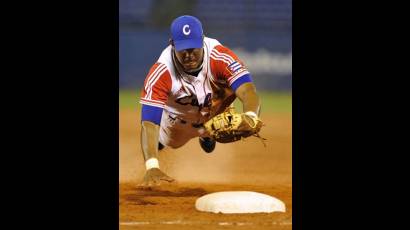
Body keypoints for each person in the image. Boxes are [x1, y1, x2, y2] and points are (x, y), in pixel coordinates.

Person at [139, 15, 262, 186]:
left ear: (202, 40)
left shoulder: (220, 56)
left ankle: (207, 135)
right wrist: (151, 165)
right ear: (172, 44)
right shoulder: (162, 71)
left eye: (193, 48)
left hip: (215, 111)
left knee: (214, 130)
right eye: (183, 49)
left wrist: (251, 116)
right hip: (178, 121)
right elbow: (149, 122)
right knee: (166, 142)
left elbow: (248, 90)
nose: (189, 55)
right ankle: (163, 142)